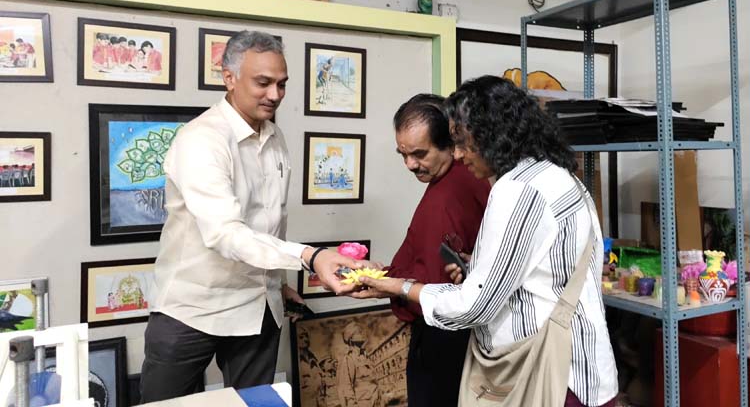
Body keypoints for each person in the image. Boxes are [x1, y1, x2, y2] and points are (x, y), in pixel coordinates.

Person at [355, 76, 618, 407]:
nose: (459, 154)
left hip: (553, 376)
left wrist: (399, 287)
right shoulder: (557, 175)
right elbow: (544, 272)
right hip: (584, 369)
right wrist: (478, 268)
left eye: (463, 142)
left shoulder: (516, 190)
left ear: (493, 136)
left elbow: (474, 306)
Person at [140, 31, 362, 402]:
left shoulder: (276, 138)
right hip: (191, 309)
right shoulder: (201, 140)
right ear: (229, 78)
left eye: (282, 84)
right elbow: (226, 233)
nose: (275, 94)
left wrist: (277, 284)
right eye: (263, 83)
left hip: (258, 307)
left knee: (256, 403)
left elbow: (270, 221)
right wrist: (310, 256)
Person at [387, 94, 490, 407]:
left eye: (419, 154)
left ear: (451, 145)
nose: (410, 164)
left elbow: (440, 282)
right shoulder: (446, 179)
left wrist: (390, 283)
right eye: (403, 154)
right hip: (440, 324)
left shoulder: (458, 186)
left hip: (448, 332)